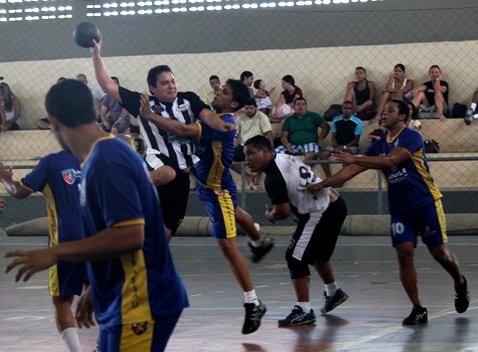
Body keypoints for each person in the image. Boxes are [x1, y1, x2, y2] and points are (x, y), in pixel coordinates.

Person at [5, 79, 189, 351]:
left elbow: (130, 235)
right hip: (127, 295)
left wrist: (56, 253)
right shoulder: (107, 154)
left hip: (138, 302)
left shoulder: (106, 160)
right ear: (94, 112)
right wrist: (94, 288)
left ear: (53, 122)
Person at [90, 37, 272, 261]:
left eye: (173, 81)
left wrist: (221, 124)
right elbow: (108, 85)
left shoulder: (189, 100)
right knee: (167, 173)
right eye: (165, 83)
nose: (171, 85)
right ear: (152, 89)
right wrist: (96, 54)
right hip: (159, 162)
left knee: (168, 229)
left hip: (187, 171)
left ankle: (145, 265)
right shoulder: (142, 103)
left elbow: (208, 116)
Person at [307, 99, 470, 326]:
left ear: (403, 116)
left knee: (440, 254)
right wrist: (321, 184)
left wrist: (355, 157)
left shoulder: (411, 137)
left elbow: (392, 160)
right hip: (401, 210)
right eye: (383, 111)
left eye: (390, 110)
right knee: (404, 254)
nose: (384, 114)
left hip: (426, 204)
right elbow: (348, 173)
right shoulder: (378, 146)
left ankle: (459, 282)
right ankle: (418, 308)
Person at [139, 78, 267, 334]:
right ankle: (258, 239)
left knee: (227, 246)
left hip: (216, 189)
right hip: (206, 181)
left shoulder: (224, 123)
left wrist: (150, 116)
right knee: (235, 213)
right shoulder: (212, 117)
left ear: (232, 102)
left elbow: (184, 131)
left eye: (225, 92)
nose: (218, 92)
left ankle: (253, 302)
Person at [244, 135, 349, 326]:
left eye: (252, 153)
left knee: (294, 257)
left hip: (320, 211)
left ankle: (304, 310)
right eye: (246, 155)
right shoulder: (283, 158)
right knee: (317, 254)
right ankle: (333, 292)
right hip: (333, 204)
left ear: (266, 151)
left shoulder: (273, 178)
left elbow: (282, 212)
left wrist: (270, 215)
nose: (247, 159)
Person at [0, 153, 85, 352]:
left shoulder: (52, 162)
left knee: (62, 301)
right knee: (102, 294)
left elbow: (18, 191)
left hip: (67, 239)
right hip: (103, 235)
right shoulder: (99, 155)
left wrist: (4, 177)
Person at [232, 98, 273, 191]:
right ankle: (248, 176)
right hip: (244, 146)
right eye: (246, 108)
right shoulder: (240, 118)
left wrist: (270, 148)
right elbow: (234, 134)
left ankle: (257, 177)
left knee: (262, 158)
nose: (249, 110)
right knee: (226, 158)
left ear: (255, 108)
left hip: (258, 146)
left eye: (251, 108)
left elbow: (268, 134)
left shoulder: (262, 117)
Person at [275, 97, 330, 161]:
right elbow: (283, 136)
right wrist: (287, 146)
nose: (301, 106)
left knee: (311, 155)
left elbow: (326, 127)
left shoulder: (313, 116)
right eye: (298, 104)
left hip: (310, 144)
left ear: (306, 106)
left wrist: (320, 140)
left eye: (303, 104)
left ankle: (303, 170)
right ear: (294, 107)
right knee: (275, 154)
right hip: (293, 145)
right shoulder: (289, 119)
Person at [319, 101, 363, 177]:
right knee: (323, 154)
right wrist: (336, 148)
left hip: (351, 146)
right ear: (342, 109)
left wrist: (343, 147)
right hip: (337, 145)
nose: (347, 110)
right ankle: (329, 177)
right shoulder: (335, 120)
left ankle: (341, 178)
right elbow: (333, 136)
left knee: (346, 155)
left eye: (349, 108)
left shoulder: (358, 121)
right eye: (345, 108)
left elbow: (356, 140)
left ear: (352, 110)